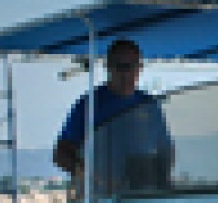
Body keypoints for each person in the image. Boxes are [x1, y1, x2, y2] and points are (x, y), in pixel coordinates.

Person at [53, 38, 173, 194]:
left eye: (132, 67)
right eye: (120, 67)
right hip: (101, 200)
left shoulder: (149, 105)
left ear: (140, 68)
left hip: (141, 196)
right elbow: (61, 154)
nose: (126, 73)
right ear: (108, 67)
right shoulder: (89, 105)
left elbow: (166, 150)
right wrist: (90, 176)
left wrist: (161, 177)